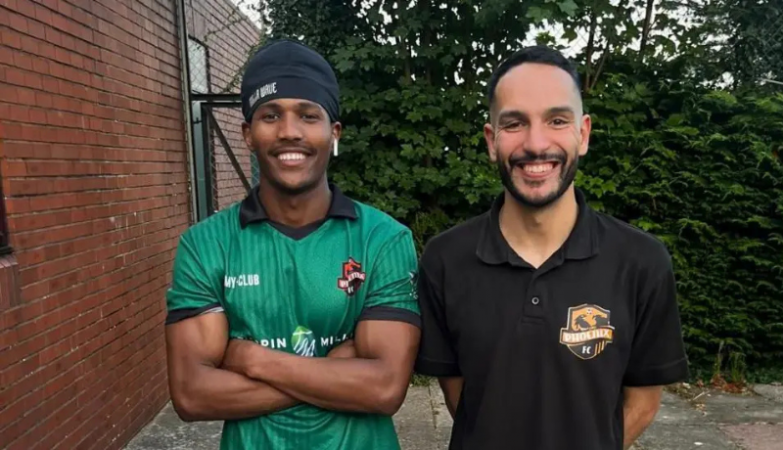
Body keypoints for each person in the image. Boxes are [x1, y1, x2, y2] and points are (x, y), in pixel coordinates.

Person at [414, 45, 689, 450]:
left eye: (557, 120)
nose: (536, 143)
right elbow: (463, 399)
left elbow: (643, 402)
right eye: (514, 123)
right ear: (491, 141)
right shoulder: (445, 260)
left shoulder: (642, 261)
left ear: (583, 134)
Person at [164, 39, 421, 450]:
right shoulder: (206, 245)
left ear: (333, 132)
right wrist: (329, 372)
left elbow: (384, 388)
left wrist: (253, 360)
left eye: (308, 115)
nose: (289, 132)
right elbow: (193, 395)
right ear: (248, 134)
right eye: (270, 115)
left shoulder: (382, 239)